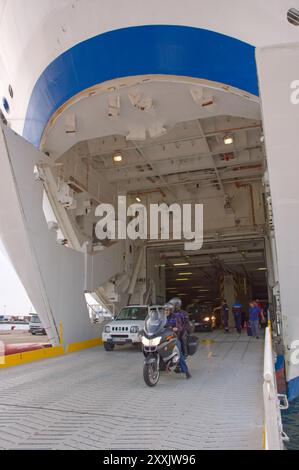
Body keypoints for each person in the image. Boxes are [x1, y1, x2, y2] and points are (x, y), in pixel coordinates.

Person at [164, 302, 191, 379]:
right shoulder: (162, 318)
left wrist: (176, 328)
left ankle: (186, 371)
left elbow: (180, 327)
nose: (166, 311)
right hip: (163, 338)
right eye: (165, 310)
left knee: (178, 352)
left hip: (173, 338)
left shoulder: (175, 317)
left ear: (171, 310)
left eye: (168, 310)